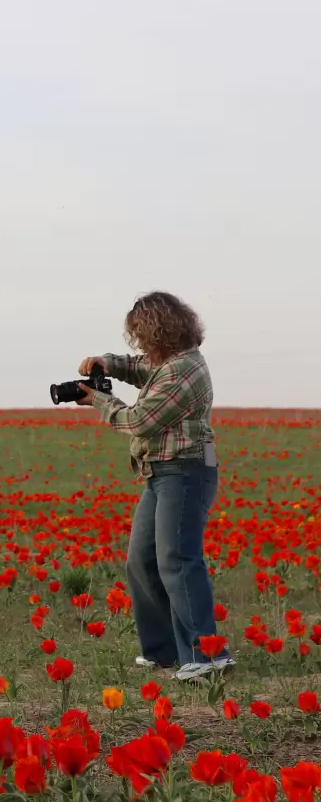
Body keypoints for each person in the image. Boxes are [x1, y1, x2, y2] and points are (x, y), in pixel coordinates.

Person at [76, 292, 231, 681]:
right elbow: (139, 368)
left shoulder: (184, 370)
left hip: (185, 472)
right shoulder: (169, 364)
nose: (139, 343)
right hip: (159, 473)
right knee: (142, 562)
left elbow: (140, 420)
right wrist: (105, 363)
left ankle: (207, 656)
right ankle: (163, 652)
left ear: (158, 331)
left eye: (141, 334)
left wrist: (99, 400)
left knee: (177, 560)